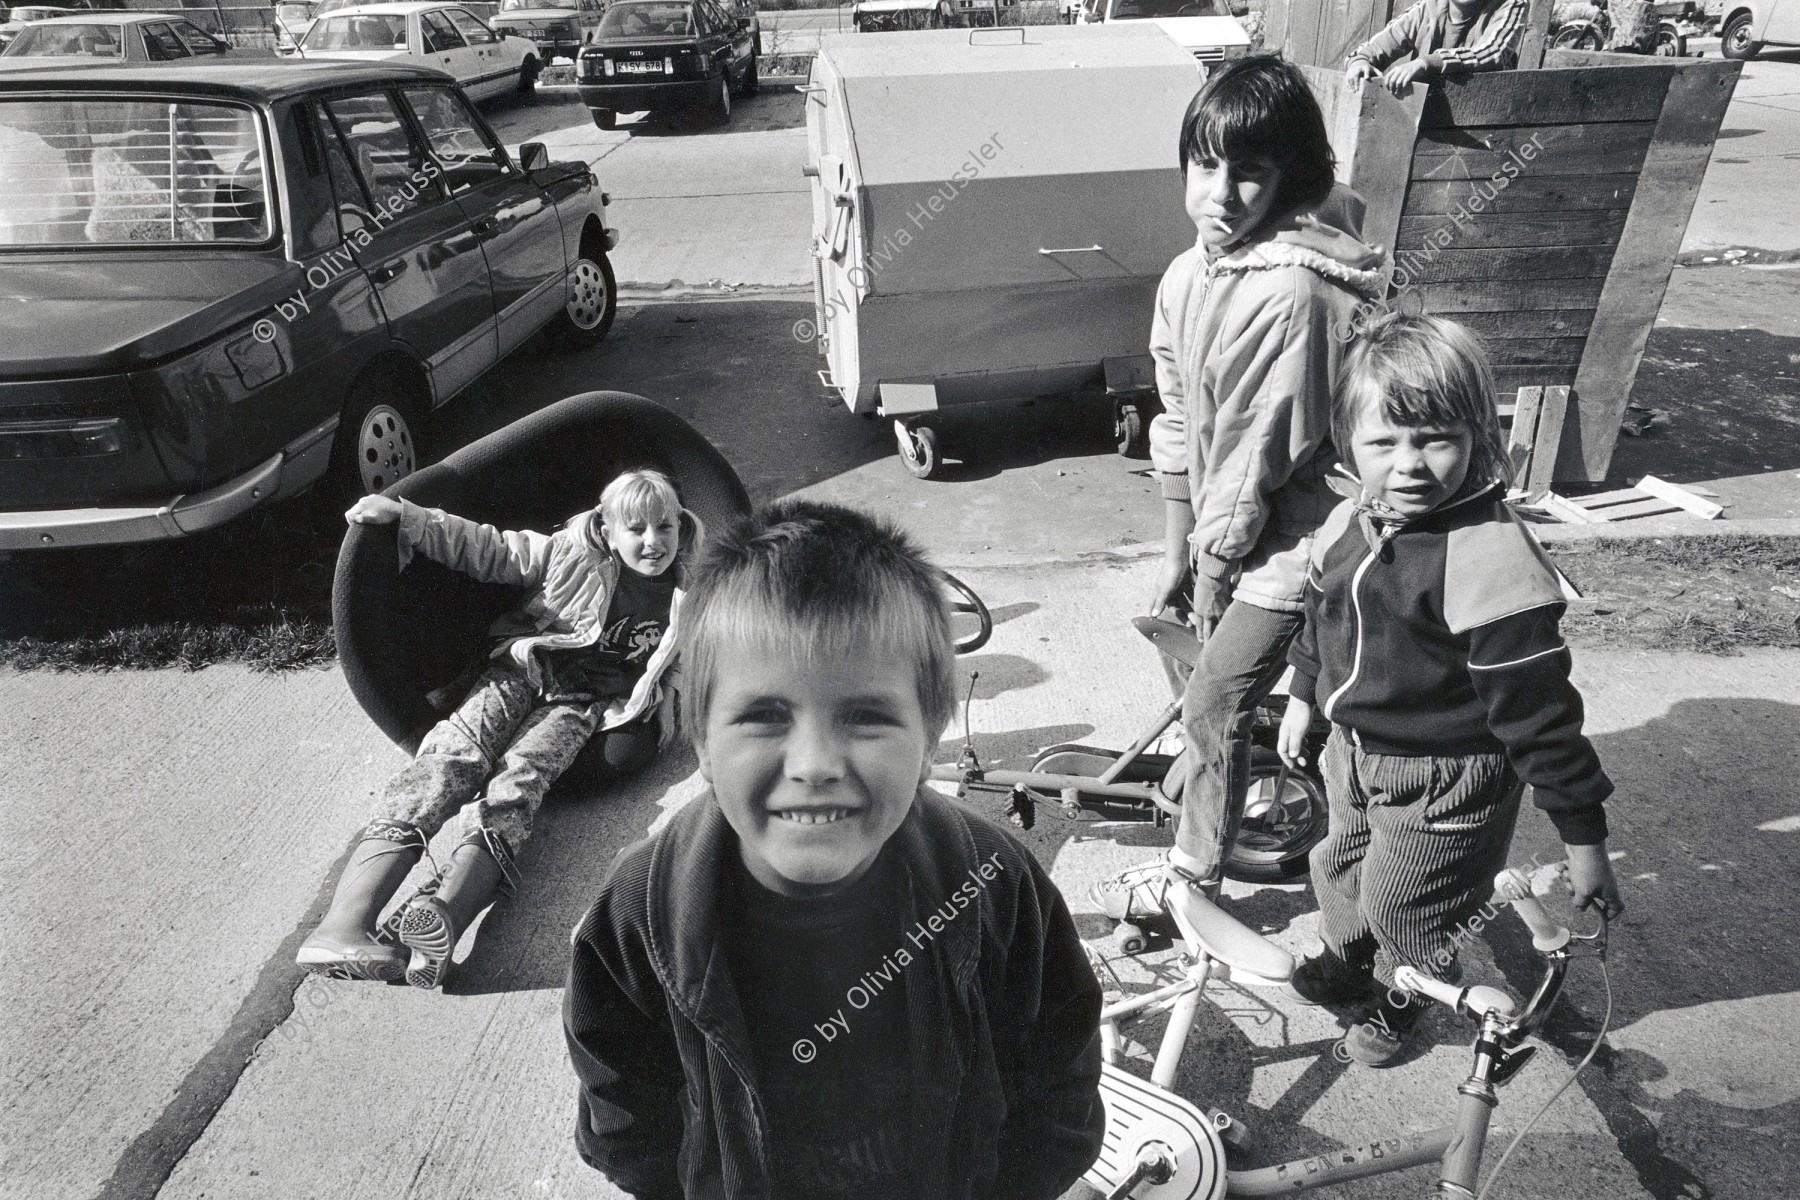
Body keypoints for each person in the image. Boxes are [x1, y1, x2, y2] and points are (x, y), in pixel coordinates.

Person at [564, 499, 1104, 1200]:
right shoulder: (642, 909)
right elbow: (622, 1113)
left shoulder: (993, 882)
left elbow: (1059, 1076)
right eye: (764, 715)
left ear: (930, 734)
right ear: (700, 737)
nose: (814, 762)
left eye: (866, 715)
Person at [1276, 312, 1624, 1066]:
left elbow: (1542, 719)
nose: (1409, 465)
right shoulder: (1354, 517)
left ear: (1476, 434)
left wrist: (1585, 844)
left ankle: (1405, 1000)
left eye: (1436, 437)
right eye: (1384, 442)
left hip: (1446, 776)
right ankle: (1349, 965)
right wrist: (1305, 691)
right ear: (1348, 443)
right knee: (1334, 867)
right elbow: (1322, 609)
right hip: (1355, 751)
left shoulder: (1491, 559)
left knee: (1410, 905)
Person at [1092, 55, 1387, 926]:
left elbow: (1257, 456)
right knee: (1195, 658)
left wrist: (1214, 565)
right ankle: (1256, 765)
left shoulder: (1294, 292)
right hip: (1239, 521)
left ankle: (1196, 881)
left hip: (1308, 539)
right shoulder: (1195, 271)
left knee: (1216, 694)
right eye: (1204, 165)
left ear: (1289, 178)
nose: (1219, 192)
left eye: (1249, 172)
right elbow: (1178, 413)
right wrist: (1178, 551)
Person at [295, 468, 697, 989]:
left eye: (664, 528)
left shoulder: (689, 596)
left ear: (681, 529)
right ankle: (342, 925)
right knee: (450, 759)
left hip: (579, 706)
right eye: (636, 529)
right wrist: (409, 518)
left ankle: (444, 918)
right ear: (607, 530)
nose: (652, 542)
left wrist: (671, 714)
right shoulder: (568, 554)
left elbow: (696, 663)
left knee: (518, 785)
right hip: (518, 672)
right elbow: (488, 548)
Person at [1344, 0, 1529, 97]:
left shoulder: (1510, 4)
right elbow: (1376, 47)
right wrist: (1360, 62)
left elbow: (1493, 52)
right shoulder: (1428, 8)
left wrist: (1427, 62)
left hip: (1486, 115)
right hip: (1432, 118)